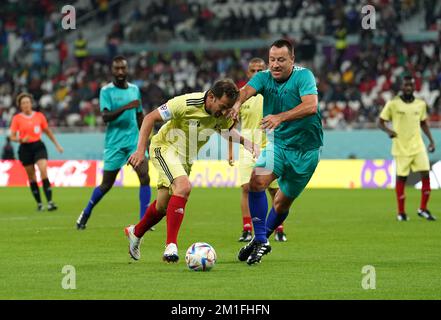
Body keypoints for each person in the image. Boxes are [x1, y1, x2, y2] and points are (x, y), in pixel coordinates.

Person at [124, 79, 256, 262]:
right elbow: (149, 118)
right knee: (184, 187)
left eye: (228, 108)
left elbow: (225, 131)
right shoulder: (185, 103)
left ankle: (135, 232)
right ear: (211, 96)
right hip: (164, 147)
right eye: (223, 106)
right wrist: (140, 150)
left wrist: (245, 142)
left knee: (162, 206)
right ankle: (171, 246)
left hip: (185, 159)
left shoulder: (221, 115)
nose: (225, 112)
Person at [231, 39, 323, 265]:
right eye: (272, 60)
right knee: (256, 182)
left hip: (306, 152)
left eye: (281, 60)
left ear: (292, 59)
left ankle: (260, 241)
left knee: (281, 204)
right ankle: (260, 238)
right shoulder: (263, 77)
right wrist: (235, 106)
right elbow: (244, 92)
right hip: (278, 145)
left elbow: (311, 106)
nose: (275, 65)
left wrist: (279, 117)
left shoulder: (304, 76)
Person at [76, 56, 151, 230]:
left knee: (144, 176)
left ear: (127, 70)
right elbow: (105, 117)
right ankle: (86, 212)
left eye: (123, 68)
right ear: (112, 71)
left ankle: (144, 220)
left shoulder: (134, 89)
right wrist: (126, 107)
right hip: (114, 144)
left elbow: (140, 115)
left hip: (133, 142)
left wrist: (144, 140)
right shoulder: (106, 91)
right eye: (116, 69)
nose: (120, 72)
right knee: (107, 184)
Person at [228, 57, 286, 243]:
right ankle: (247, 228)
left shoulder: (274, 91)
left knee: (274, 191)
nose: (257, 73)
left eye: (260, 70)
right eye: (253, 70)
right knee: (246, 188)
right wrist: (230, 149)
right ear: (248, 73)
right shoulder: (242, 95)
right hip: (247, 147)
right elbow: (231, 124)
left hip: (270, 145)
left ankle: (278, 228)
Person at [378, 75, 436, 221]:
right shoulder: (393, 104)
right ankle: (401, 212)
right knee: (402, 178)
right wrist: (389, 131)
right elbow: (380, 122)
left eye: (411, 85)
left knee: (425, 174)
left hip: (418, 146)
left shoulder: (420, 104)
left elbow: (423, 123)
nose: (408, 87)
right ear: (402, 87)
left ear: (414, 87)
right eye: (406, 85)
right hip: (401, 147)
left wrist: (431, 141)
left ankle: (423, 209)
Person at [9, 93, 64, 211]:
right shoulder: (17, 118)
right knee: (32, 177)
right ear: (20, 105)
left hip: (38, 146)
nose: (26, 105)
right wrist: (20, 139)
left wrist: (57, 145)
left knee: (43, 170)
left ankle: (50, 202)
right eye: (23, 103)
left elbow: (48, 132)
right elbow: (12, 137)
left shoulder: (39, 116)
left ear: (31, 103)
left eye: (27, 102)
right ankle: (39, 203)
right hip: (25, 148)